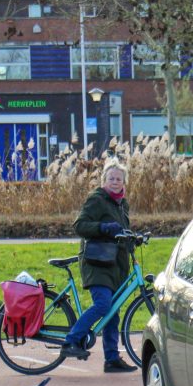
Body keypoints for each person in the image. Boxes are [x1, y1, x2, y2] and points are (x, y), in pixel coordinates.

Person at [61, 160, 136, 373]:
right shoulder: (97, 200)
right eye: (111, 178)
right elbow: (80, 225)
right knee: (103, 305)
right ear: (104, 180)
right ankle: (71, 341)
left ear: (124, 183)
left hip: (114, 266)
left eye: (118, 179)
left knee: (113, 311)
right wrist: (103, 227)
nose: (114, 182)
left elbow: (120, 231)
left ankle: (111, 359)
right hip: (96, 263)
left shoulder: (122, 204)